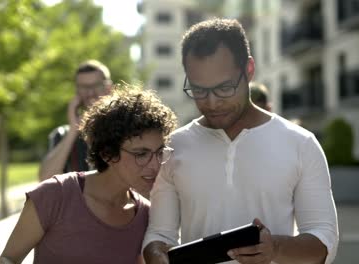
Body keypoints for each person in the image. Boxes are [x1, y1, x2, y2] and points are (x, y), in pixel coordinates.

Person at [143, 18, 338, 264]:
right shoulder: (173, 147)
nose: (212, 103)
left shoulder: (301, 144)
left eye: (224, 88)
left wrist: (274, 247)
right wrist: (156, 255)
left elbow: (324, 240)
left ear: (249, 70)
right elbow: (160, 233)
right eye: (199, 90)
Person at [0, 87, 178, 264]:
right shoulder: (54, 195)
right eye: (141, 154)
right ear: (108, 153)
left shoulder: (146, 215)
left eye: (160, 152)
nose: (155, 165)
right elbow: (8, 259)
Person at [38, 60, 113, 181]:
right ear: (77, 90)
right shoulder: (61, 135)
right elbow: (45, 179)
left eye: (96, 85)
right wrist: (74, 129)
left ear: (109, 88)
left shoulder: (128, 129)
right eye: (84, 87)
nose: (90, 93)